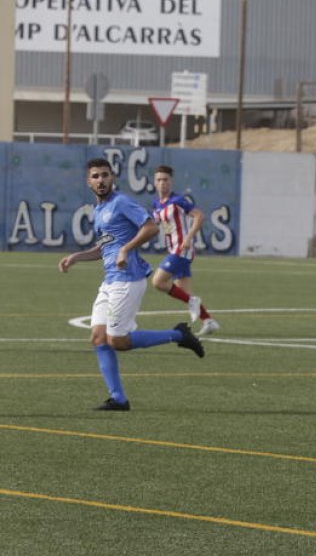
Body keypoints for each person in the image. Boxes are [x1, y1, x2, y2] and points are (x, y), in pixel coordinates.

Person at [58, 158, 206, 411]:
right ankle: (118, 399)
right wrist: (77, 257)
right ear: (89, 181)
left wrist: (126, 249)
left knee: (119, 342)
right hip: (110, 281)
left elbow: (150, 228)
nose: (101, 180)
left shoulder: (121, 202)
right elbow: (105, 247)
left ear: (112, 177)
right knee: (98, 338)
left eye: (105, 175)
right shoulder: (99, 211)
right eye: (96, 176)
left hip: (127, 280)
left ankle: (179, 334)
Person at [150, 165, 219, 335]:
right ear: (154, 182)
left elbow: (199, 216)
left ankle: (193, 302)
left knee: (158, 282)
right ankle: (209, 321)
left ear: (171, 182)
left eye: (165, 180)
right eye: (159, 180)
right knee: (185, 293)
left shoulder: (178, 201)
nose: (162, 183)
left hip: (181, 249)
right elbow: (158, 225)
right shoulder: (157, 205)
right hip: (172, 249)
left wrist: (188, 237)